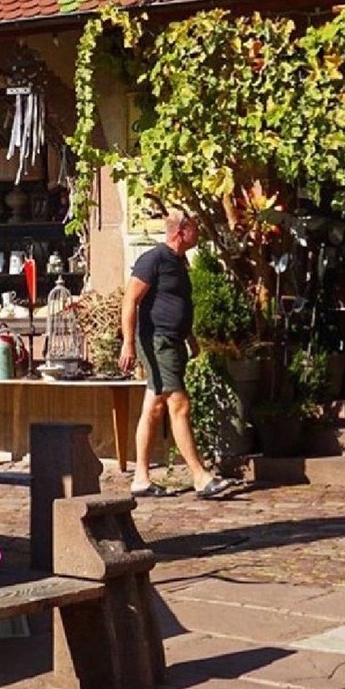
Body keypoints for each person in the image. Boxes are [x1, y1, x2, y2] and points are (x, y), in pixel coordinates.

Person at [119, 209, 233, 499]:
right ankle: (200, 476)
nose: (199, 232)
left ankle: (141, 479)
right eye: (195, 227)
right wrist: (128, 343)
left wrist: (190, 338)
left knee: (153, 408)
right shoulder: (153, 259)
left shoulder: (180, 262)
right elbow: (130, 300)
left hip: (173, 341)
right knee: (179, 405)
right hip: (158, 342)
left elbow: (178, 302)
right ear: (181, 231)